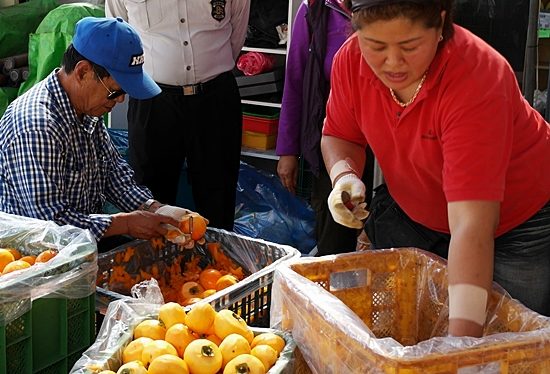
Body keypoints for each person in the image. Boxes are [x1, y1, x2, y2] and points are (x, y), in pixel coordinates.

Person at [321, 0, 550, 338]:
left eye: (410, 46)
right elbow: (340, 134)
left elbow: (472, 225)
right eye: (376, 46)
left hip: (518, 222)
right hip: (419, 215)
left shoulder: (477, 76)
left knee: (506, 338)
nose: (393, 62)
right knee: (411, 329)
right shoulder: (350, 60)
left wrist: (460, 348)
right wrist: (344, 175)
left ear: (441, 25)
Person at [0, 17, 203, 251]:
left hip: (82, 245)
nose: (120, 100)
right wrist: (125, 223)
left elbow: (113, 174)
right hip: (35, 258)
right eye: (114, 92)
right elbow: (51, 225)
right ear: (83, 72)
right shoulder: (37, 126)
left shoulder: (87, 109)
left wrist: (156, 209)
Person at [105, 0, 250, 232]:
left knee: (218, 192)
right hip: (152, 99)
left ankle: (216, 264)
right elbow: (118, 33)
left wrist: (208, 69)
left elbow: (236, 31)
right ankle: (153, 265)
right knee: (150, 192)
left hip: (214, 98)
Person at [277, 0, 370, 256]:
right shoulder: (315, 10)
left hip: (386, 136)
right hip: (331, 137)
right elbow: (295, 82)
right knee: (336, 230)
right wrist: (287, 149)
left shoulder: (389, 9)